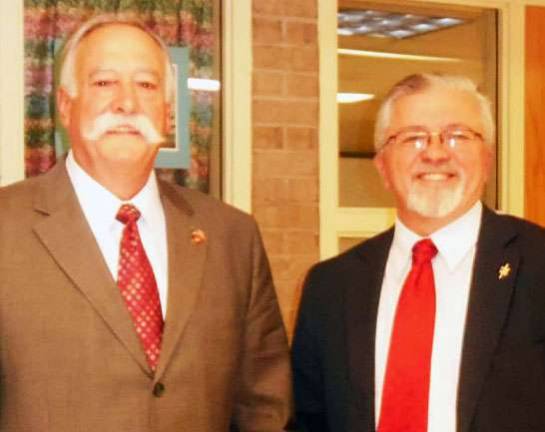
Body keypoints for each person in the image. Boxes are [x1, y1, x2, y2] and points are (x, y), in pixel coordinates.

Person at [0, 15, 291, 431]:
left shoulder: (232, 237)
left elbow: (265, 406)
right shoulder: (6, 227)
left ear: (169, 114)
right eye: (104, 83)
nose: (127, 103)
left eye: (147, 84)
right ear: (65, 105)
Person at [291, 73, 545, 432]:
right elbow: (309, 420)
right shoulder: (331, 286)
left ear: (487, 160)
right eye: (412, 138)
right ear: (382, 167)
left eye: (457, 135)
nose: (436, 153)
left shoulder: (536, 264)